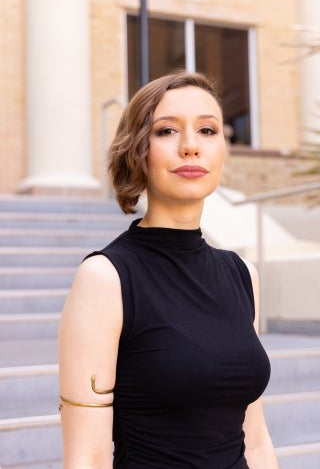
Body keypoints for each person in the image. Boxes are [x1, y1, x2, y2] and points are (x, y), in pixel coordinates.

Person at [58, 70, 279, 469]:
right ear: (137, 149)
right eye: (167, 131)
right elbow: (87, 458)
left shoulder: (242, 274)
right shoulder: (106, 277)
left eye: (208, 131)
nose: (191, 147)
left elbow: (256, 439)